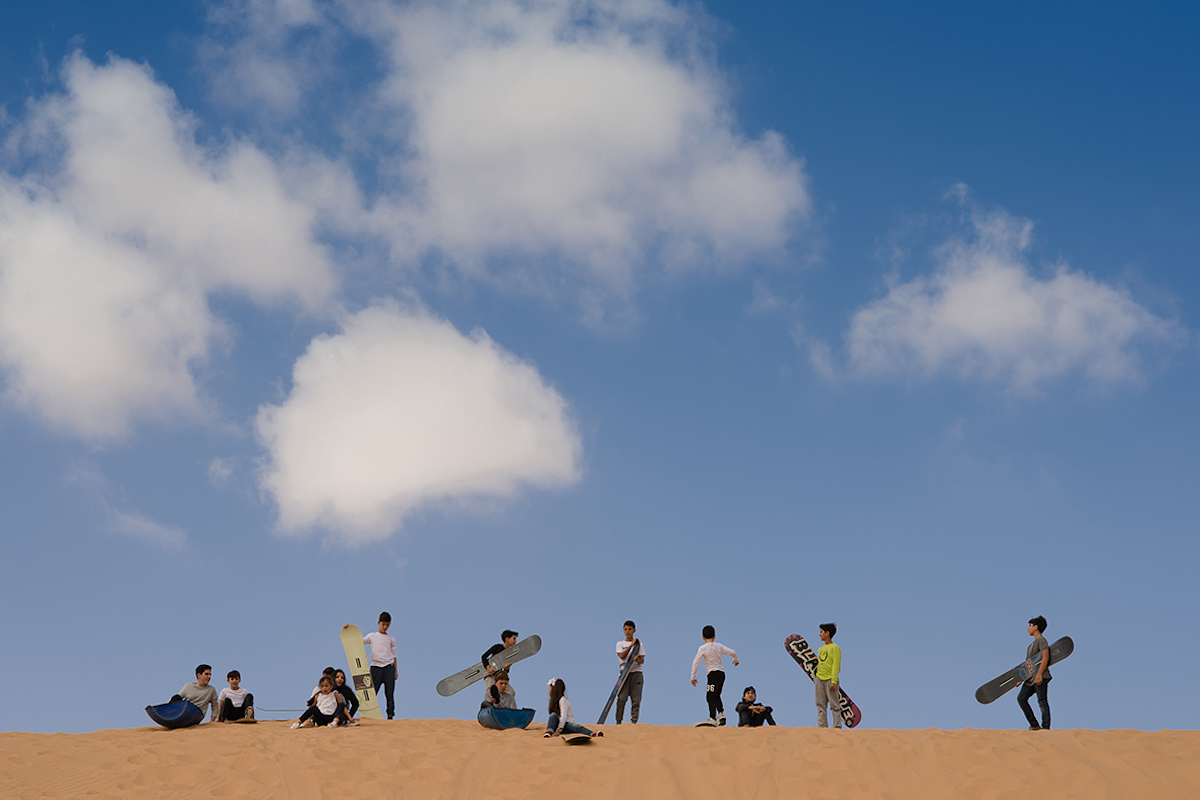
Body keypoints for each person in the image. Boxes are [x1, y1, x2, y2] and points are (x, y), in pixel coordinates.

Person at [690, 625, 739, 726]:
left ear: (703, 637)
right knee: (716, 695)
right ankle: (721, 714)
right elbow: (732, 652)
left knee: (710, 696)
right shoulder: (719, 646)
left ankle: (713, 718)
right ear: (715, 636)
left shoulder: (703, 648)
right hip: (721, 674)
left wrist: (693, 676)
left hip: (712, 674)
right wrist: (735, 659)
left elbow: (696, 662)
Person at [355, 612, 397, 720]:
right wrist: (349, 630)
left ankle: (390, 715)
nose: (385, 627)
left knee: (390, 693)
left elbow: (394, 656)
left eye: (387, 625)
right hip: (376, 667)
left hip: (389, 667)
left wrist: (395, 671)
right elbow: (359, 641)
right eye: (383, 624)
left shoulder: (391, 638)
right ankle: (368, 714)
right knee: (371, 693)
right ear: (378, 623)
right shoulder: (372, 636)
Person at [1017, 615, 1053, 730]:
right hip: (1030, 679)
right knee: (1021, 699)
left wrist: (1039, 674)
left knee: (1042, 700)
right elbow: (1028, 665)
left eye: (1030, 626)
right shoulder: (1030, 646)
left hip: (1040, 676)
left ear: (1036, 627)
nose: (1028, 628)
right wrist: (1021, 679)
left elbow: (1045, 657)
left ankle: (1045, 727)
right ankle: (1034, 725)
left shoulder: (1042, 641)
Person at [615, 620, 645, 724]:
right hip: (624, 673)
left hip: (636, 673)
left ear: (634, 630)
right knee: (621, 699)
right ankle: (618, 721)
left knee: (636, 699)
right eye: (626, 629)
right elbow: (621, 656)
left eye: (630, 629)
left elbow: (642, 661)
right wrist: (631, 645)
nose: (628, 631)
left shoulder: (639, 644)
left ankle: (634, 722)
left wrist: (638, 659)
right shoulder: (620, 643)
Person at [814, 623, 842, 729]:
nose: (819, 634)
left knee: (834, 704)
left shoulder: (835, 648)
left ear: (827, 633)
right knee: (820, 704)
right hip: (819, 679)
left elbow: (836, 665)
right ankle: (822, 726)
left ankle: (837, 725)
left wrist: (834, 680)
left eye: (821, 632)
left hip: (830, 679)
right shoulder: (820, 649)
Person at [480, 629, 519, 701]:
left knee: (511, 692)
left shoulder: (509, 654)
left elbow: (505, 672)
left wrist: (506, 669)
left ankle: (501, 705)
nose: (515, 641)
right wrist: (488, 667)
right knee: (490, 691)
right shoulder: (497, 647)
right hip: (490, 675)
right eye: (514, 638)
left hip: (499, 677)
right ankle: (489, 705)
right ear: (507, 639)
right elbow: (484, 656)